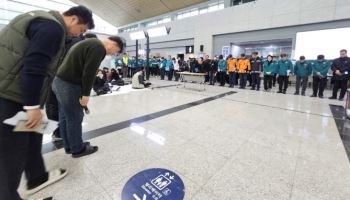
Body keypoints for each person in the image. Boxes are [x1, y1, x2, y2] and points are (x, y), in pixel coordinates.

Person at [0, 5, 94, 200]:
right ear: (74, 19)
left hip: (12, 90)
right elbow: (34, 66)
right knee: (11, 154)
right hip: (9, 96)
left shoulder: (39, 19)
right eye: (82, 29)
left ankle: (36, 177)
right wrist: (32, 106)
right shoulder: (53, 28)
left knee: (32, 137)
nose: (80, 34)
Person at [52, 36, 124, 158]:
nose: (112, 54)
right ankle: (78, 149)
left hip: (59, 82)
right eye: (115, 52)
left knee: (65, 117)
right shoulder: (98, 48)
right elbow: (89, 72)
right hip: (69, 85)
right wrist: (86, 94)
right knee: (75, 117)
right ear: (114, 45)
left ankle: (71, 145)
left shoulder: (90, 43)